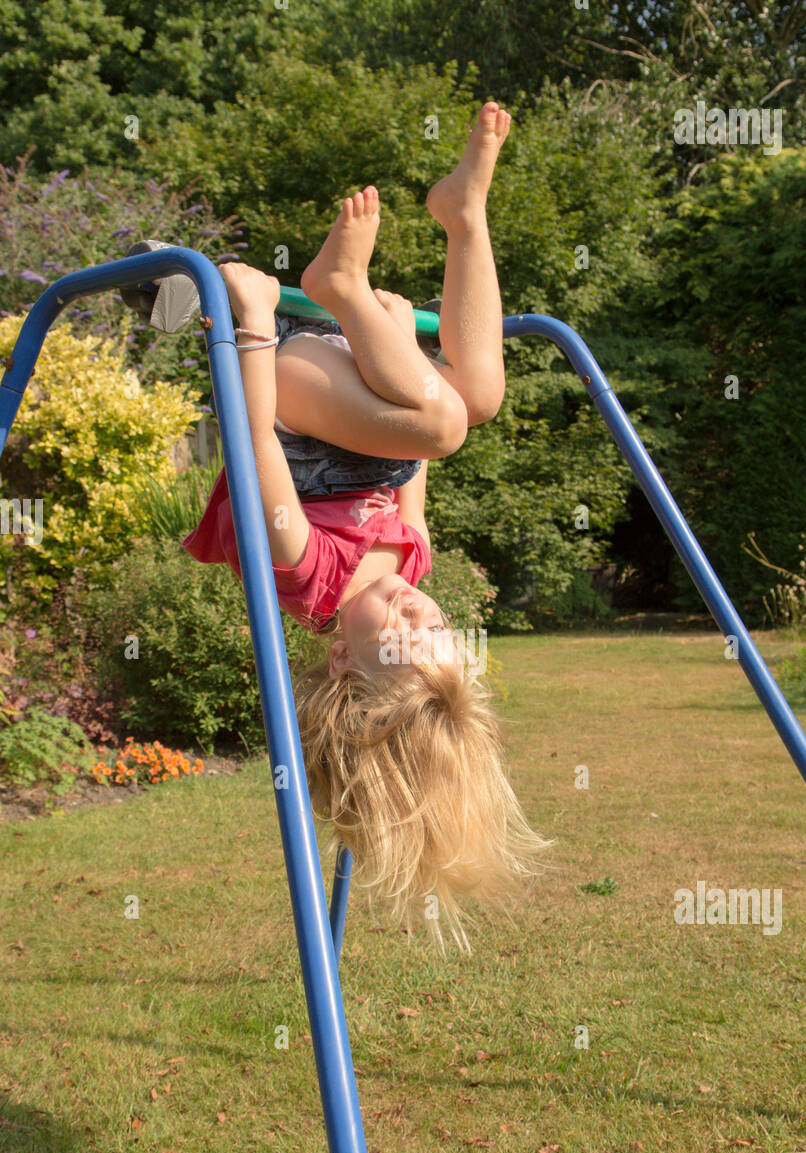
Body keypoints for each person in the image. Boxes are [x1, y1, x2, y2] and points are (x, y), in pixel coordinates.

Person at [183, 102, 551, 948]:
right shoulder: (406, 564)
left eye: (406, 633)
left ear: (344, 657)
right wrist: (392, 344)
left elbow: (251, 443)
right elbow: (409, 471)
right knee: (477, 399)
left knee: (450, 423)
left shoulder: (305, 576)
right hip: (360, 395)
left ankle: (334, 287)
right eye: (439, 624)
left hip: (285, 391)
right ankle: (464, 216)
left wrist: (250, 326)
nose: (421, 609)